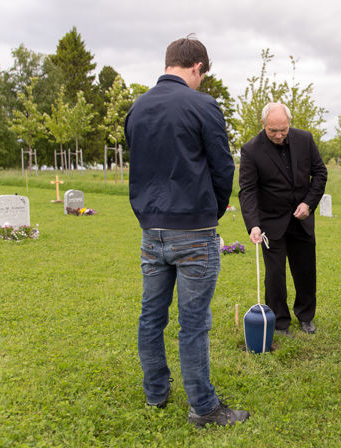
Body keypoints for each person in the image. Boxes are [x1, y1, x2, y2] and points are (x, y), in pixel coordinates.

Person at [125, 35, 249, 427]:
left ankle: (155, 393)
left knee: (151, 315)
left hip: (152, 229)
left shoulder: (137, 108)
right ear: (197, 67)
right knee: (193, 323)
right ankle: (203, 407)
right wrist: (213, 210)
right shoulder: (202, 104)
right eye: (202, 75)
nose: (201, 82)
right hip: (193, 227)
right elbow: (223, 166)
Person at [238, 102, 328, 335]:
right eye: (273, 131)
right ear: (263, 124)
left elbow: (320, 173)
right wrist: (253, 224)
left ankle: (306, 316)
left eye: (283, 130)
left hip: (301, 220)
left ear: (289, 123)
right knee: (275, 275)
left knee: (305, 271)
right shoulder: (251, 150)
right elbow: (248, 190)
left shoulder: (305, 139)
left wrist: (309, 203)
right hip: (271, 222)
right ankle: (279, 321)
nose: (279, 135)